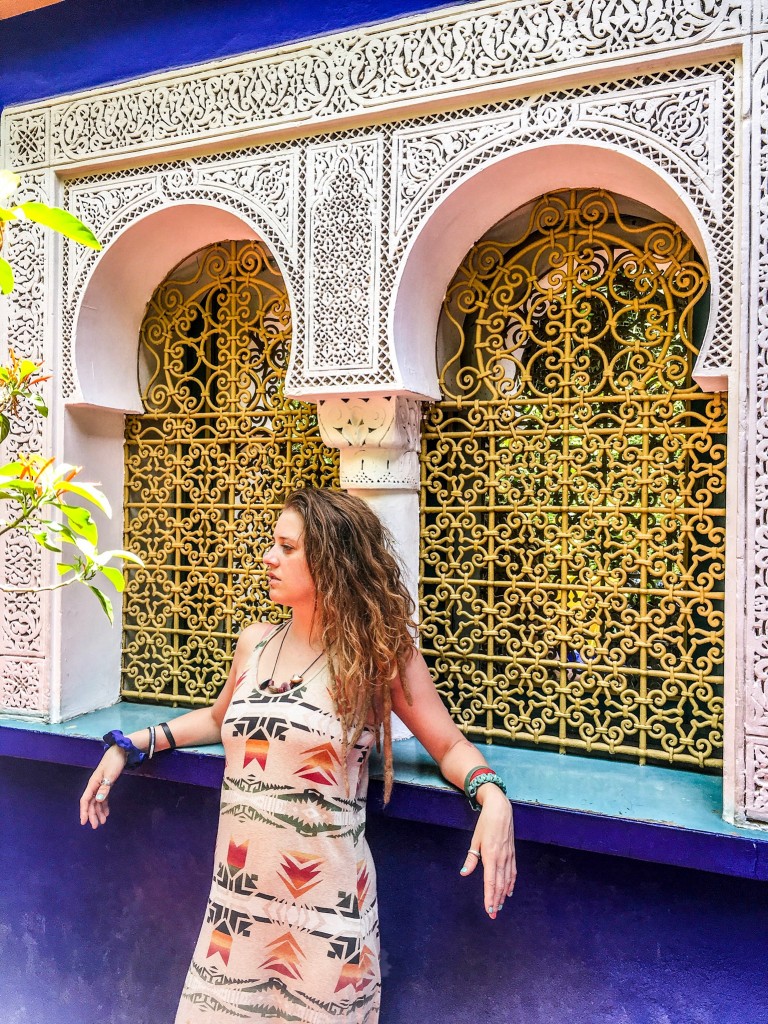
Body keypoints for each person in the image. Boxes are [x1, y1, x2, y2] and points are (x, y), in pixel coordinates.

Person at [80, 487, 516, 1024]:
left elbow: (447, 745)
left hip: (327, 924)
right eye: (273, 544)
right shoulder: (255, 643)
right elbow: (220, 721)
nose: (269, 557)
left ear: (332, 561)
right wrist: (131, 744)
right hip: (236, 914)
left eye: (287, 548)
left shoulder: (379, 655)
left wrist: (491, 795)